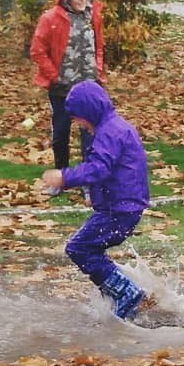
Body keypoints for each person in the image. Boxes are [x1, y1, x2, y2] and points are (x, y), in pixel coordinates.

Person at [41, 81, 151, 321]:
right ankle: (116, 293)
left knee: (79, 248)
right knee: (89, 249)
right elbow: (117, 170)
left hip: (120, 209)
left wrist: (64, 177)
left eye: (78, 118)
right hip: (123, 206)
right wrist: (97, 196)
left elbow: (99, 168)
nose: (78, 124)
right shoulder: (115, 127)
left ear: (89, 111)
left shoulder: (109, 133)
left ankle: (127, 293)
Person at [30, 0, 104, 171]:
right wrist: (55, 76)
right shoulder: (50, 19)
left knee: (90, 136)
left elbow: (99, 45)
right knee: (61, 134)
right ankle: (61, 175)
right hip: (61, 89)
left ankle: (88, 180)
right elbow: (37, 51)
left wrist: (98, 69)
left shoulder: (93, 16)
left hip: (88, 88)